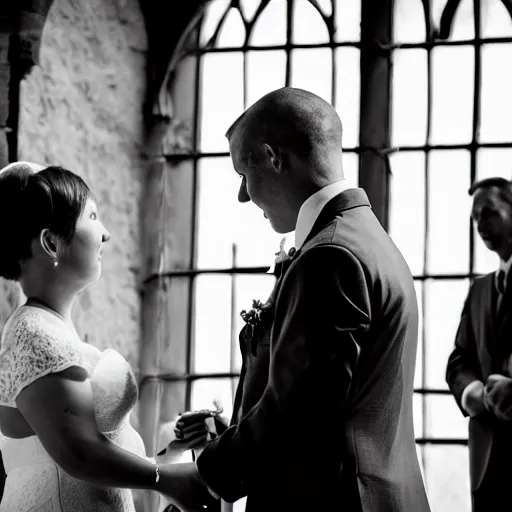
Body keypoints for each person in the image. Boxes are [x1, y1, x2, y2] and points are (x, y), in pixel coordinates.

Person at [161, 87, 431, 512]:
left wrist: (206, 474)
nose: (243, 195)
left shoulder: (330, 257)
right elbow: (328, 395)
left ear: (274, 157)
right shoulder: (366, 238)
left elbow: (298, 411)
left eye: (243, 174)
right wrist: (229, 429)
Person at [0, 162, 213, 511]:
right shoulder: (32, 332)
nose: (106, 233)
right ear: (51, 242)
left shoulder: (51, 332)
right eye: (94, 216)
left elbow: (99, 449)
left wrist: (171, 444)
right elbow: (79, 451)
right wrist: (169, 479)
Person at [447, 177, 512, 512]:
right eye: (475, 219)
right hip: (486, 457)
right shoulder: (481, 290)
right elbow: (458, 361)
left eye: (487, 213)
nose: (480, 225)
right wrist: (473, 393)